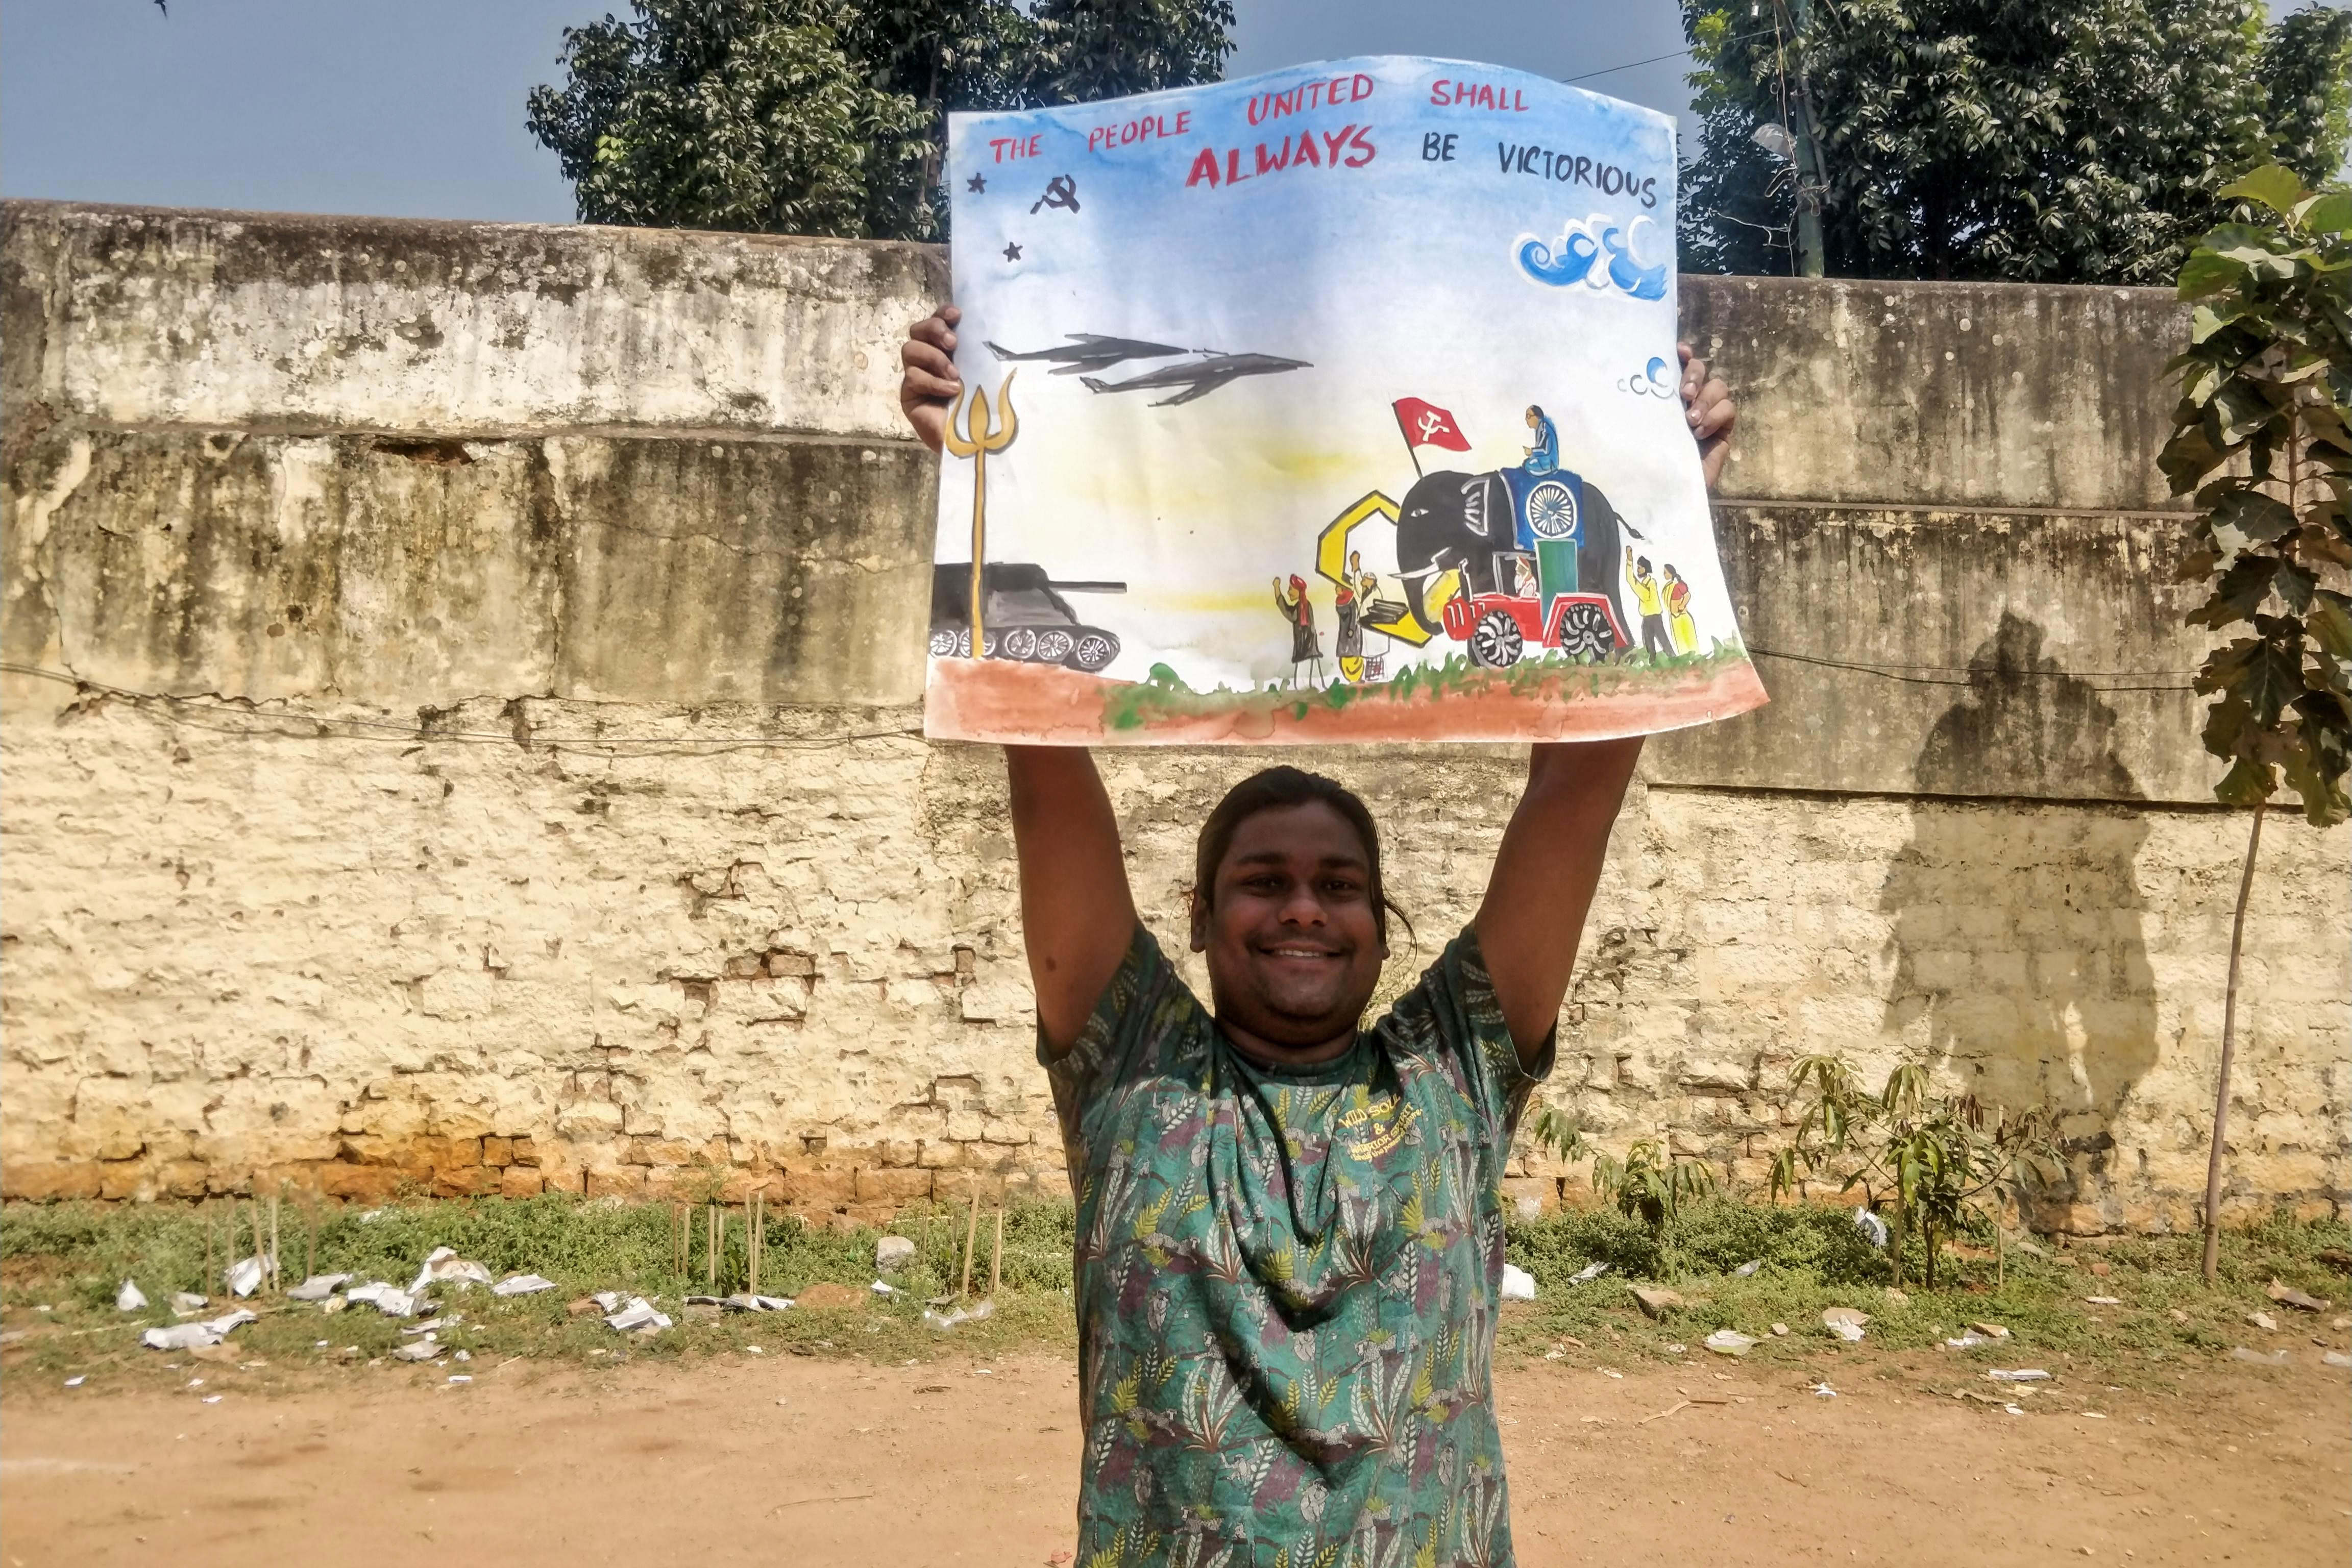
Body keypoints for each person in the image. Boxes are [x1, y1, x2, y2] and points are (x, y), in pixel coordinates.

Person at [900, 305, 1735, 1568]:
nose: (1302, 907)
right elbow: (1044, 758)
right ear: (1197, 916)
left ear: (1381, 928)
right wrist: (983, 481)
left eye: (1339, 885)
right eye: (1264, 881)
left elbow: (1576, 791)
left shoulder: (1453, 1077)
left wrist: (1654, 493)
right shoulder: (1135, 1073)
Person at [1275, 573, 1325, 687]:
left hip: (1305, 652)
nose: (1289, 592)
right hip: (1309, 651)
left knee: (1302, 685)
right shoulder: (1304, 606)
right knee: (1307, 684)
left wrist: (1277, 589)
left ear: (1299, 591)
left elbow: (1289, 614)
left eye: (1291, 589)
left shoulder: (1302, 607)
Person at [1624, 547, 1670, 658]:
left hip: (1655, 617)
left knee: (1663, 641)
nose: (1638, 570)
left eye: (1639, 568)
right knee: (1649, 645)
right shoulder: (1645, 583)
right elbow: (1632, 581)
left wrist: (1630, 560)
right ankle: (1652, 661)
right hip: (1647, 618)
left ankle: (1672, 658)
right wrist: (1629, 560)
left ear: (1645, 569)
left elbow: (1642, 593)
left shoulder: (1651, 583)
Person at [1662, 562, 1697, 655]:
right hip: (1674, 617)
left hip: (1682, 616)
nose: (1664, 574)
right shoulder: (1669, 586)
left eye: (1665, 572)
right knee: (1680, 641)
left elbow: (1687, 595)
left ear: (1671, 573)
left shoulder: (1678, 585)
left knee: (1689, 640)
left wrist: (1681, 606)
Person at [1521, 403, 1558, 475]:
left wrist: (1532, 452)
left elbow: (1546, 450)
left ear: (1537, 417)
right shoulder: (1539, 428)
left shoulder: (1546, 429)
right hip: (1543, 460)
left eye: (1528, 416)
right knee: (1526, 463)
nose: (1526, 419)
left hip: (1549, 463)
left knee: (1528, 466)